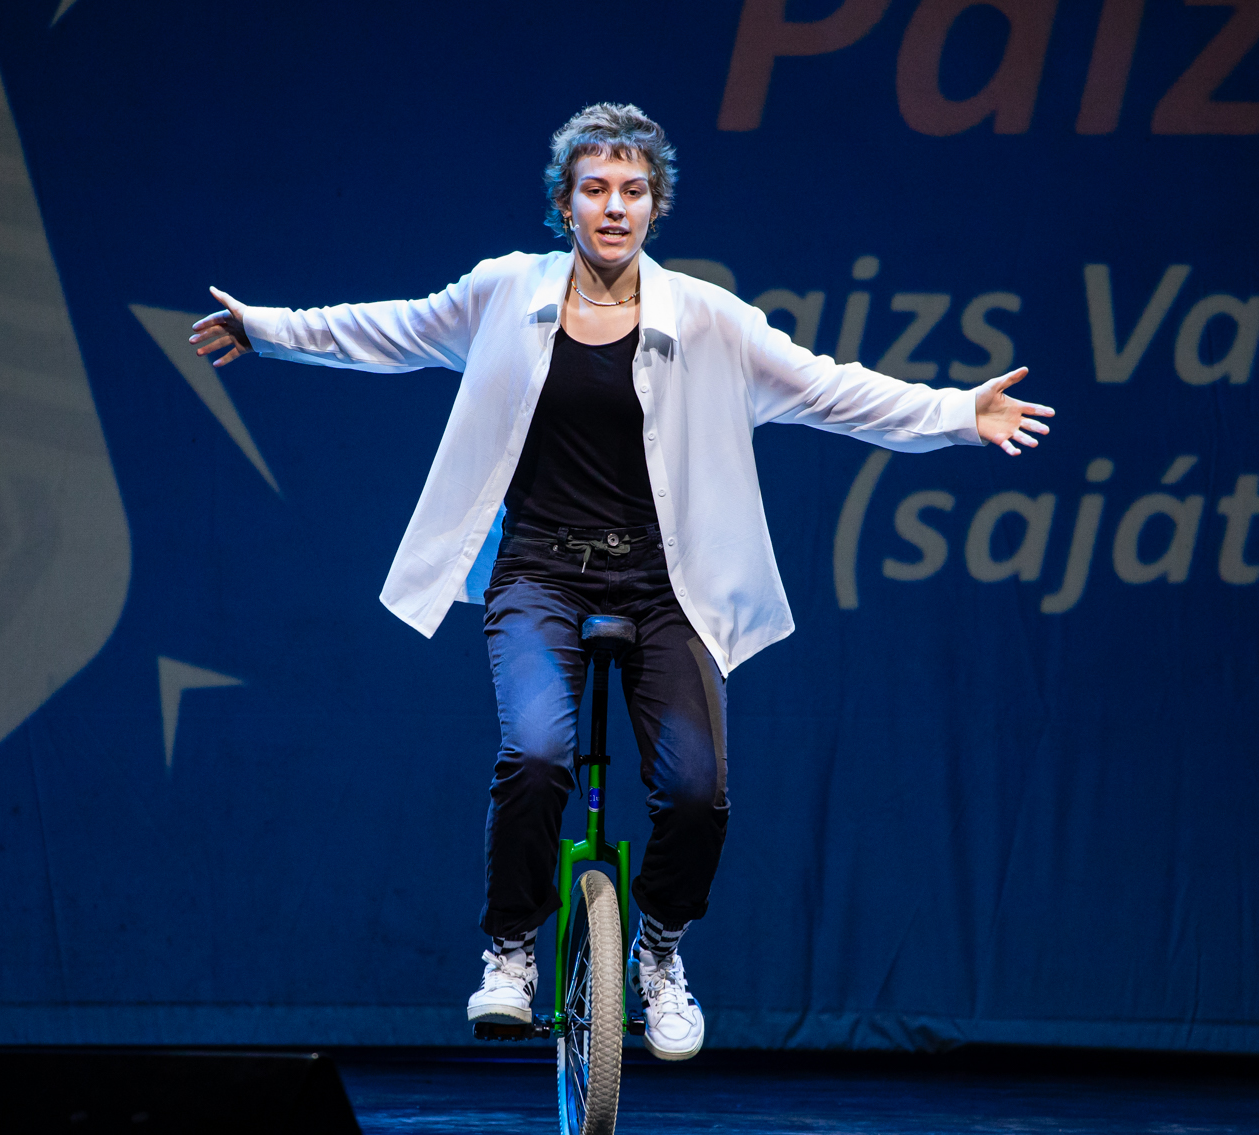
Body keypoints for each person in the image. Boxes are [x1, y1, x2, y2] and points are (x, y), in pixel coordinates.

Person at [189, 103, 1053, 1061]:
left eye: (633, 191)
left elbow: (829, 387)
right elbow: (387, 329)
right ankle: (511, 949)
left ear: (656, 204)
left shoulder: (707, 319)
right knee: (536, 756)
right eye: (595, 189)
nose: (613, 207)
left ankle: (660, 949)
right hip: (539, 571)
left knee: (696, 792)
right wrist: (264, 329)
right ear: (564, 203)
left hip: (663, 581)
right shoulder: (504, 293)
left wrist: (954, 413)